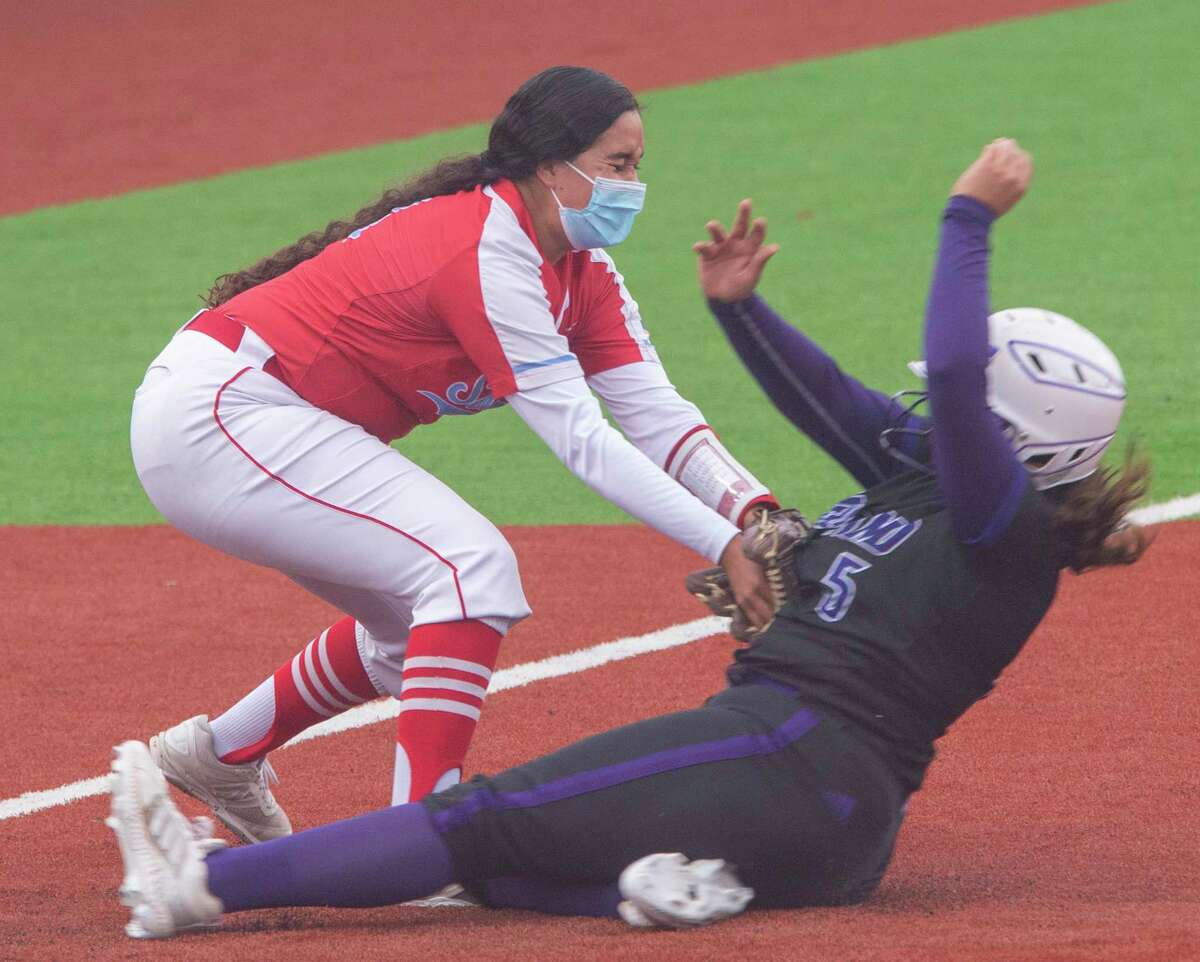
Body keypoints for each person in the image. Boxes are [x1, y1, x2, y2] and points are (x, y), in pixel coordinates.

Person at [108, 138, 1152, 938]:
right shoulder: (927, 474)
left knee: (476, 819)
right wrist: (741, 311)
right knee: (499, 860)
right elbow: (829, 400)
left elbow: (962, 377)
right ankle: (639, 889)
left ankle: (195, 886)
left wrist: (968, 218)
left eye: (954, 412)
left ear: (1015, 436)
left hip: (789, 758)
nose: (921, 410)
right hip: (812, 803)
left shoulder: (1001, 521)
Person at [129, 65, 780, 842]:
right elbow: (583, 443)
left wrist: (753, 510)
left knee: (415, 623)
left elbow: (659, 417)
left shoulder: (583, 276)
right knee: (468, 569)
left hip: (266, 420)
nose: (634, 185)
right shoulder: (486, 254)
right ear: (549, 166)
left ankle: (219, 754)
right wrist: (723, 544)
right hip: (220, 416)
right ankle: (418, 842)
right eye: (618, 165)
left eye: (637, 164)